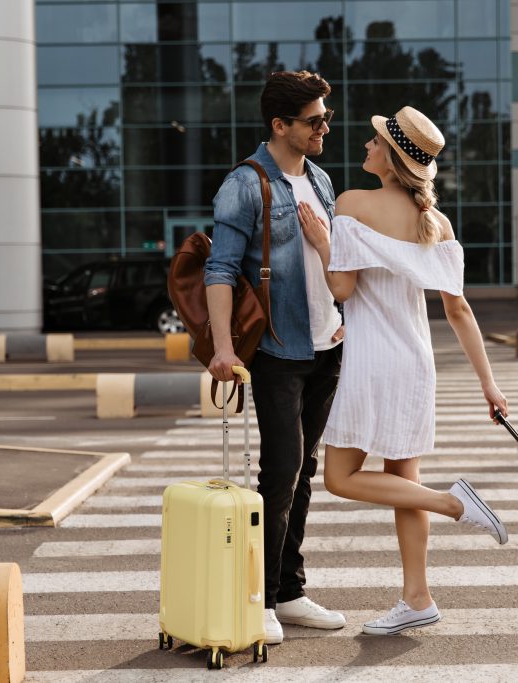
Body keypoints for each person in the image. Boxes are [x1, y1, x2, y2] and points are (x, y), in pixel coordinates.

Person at [297, 106, 510, 636]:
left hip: (372, 362)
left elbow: (341, 290)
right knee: (401, 481)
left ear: (391, 159)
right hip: (415, 362)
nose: (365, 147)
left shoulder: (351, 204)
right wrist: (489, 383)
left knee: (340, 478)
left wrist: (324, 243)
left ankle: (453, 504)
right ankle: (417, 597)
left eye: (374, 143)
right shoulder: (434, 222)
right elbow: (458, 311)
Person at [203, 71, 346, 645]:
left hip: (327, 343)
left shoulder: (321, 180)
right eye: (314, 121)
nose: (323, 128)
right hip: (276, 348)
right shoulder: (247, 183)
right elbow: (219, 271)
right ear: (280, 126)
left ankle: (290, 591)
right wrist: (219, 348)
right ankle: (258, 596)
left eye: (325, 119)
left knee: (304, 470)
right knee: (280, 471)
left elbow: (335, 265)